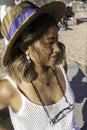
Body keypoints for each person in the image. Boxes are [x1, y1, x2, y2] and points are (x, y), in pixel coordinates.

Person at [0, 1, 80, 130]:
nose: (57, 49)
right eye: (50, 42)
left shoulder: (60, 67)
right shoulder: (9, 88)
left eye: (57, 39)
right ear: (25, 45)